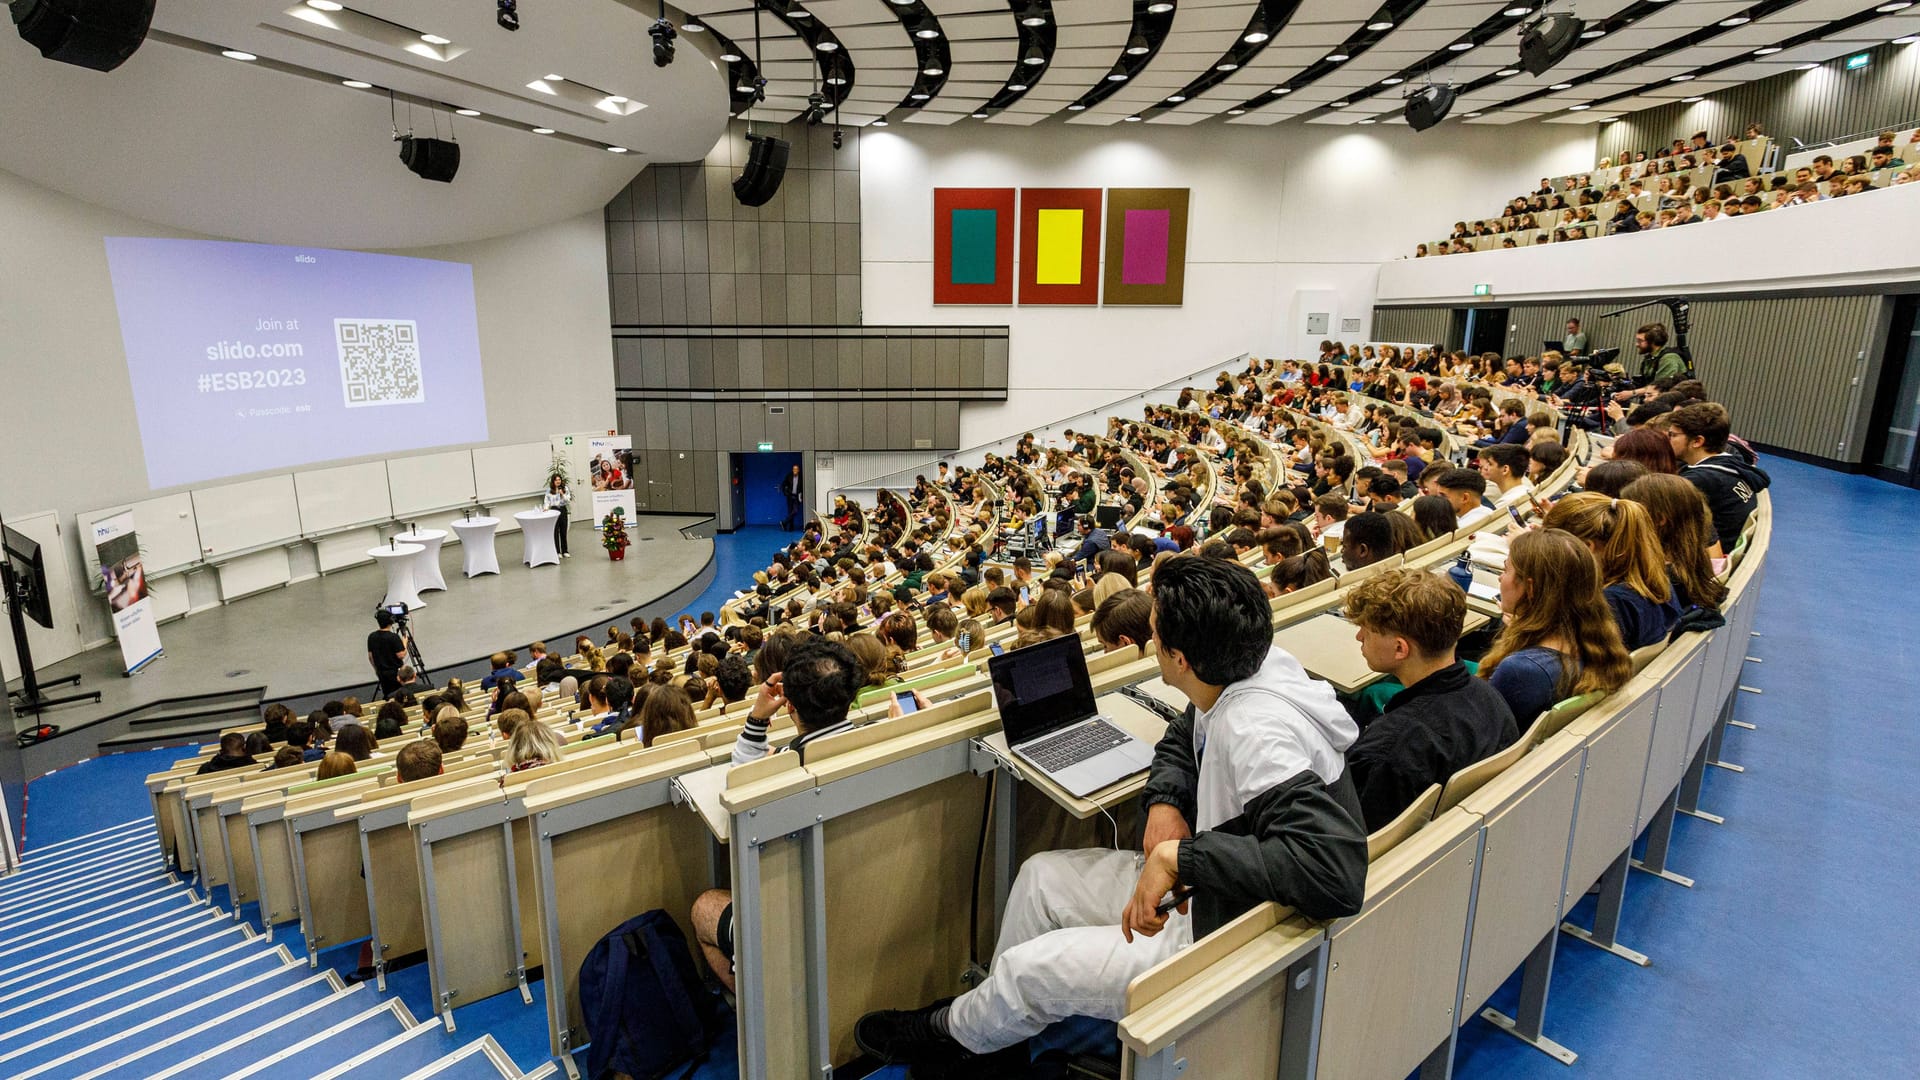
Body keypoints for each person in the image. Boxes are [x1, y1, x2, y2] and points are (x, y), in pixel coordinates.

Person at [851, 556, 1366, 1072]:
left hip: (1223, 927)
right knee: (1040, 877)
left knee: (1029, 969)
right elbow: (1183, 739)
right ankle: (987, 1032)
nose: (1150, 630)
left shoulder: (1257, 732)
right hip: (1218, 887)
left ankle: (950, 1032)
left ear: (1180, 658)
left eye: (1156, 628)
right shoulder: (1243, 664)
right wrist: (1166, 801)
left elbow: (1333, 872)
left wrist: (1178, 857)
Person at [692, 639, 873, 993]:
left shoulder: (780, 771)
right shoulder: (879, 743)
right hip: (864, 898)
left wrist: (758, 716)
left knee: (704, 908)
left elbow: (741, 774)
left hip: (798, 916)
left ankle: (763, 1006)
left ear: (788, 704)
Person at [1343, 570, 1518, 830]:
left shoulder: (1388, 750)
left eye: (1366, 631)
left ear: (1400, 648)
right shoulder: (1491, 699)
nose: (1359, 637)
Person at [1480, 529, 1633, 728]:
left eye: (1506, 570)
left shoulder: (1522, 671)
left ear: (1531, 588)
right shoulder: (1597, 642)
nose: (1501, 578)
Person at [1544, 494, 1680, 649]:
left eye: (1553, 546)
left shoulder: (1609, 603)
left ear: (1586, 546)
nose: (1549, 552)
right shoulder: (1655, 580)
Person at [1668, 402, 1769, 548]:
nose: (1668, 439)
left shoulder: (1701, 480)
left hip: (1705, 557)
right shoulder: (1730, 464)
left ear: (1697, 441)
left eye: (1672, 435)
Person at [367, 609, 407, 698]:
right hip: (395, 673)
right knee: (399, 695)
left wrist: (376, 669)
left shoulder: (371, 637)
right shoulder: (394, 637)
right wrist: (405, 642)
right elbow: (401, 655)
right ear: (391, 621)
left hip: (381, 672)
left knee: (388, 695)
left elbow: (370, 657)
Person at [545, 474, 573, 558]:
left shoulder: (565, 488)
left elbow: (568, 499)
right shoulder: (549, 490)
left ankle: (565, 550)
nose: (558, 481)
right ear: (553, 481)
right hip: (554, 510)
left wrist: (562, 494)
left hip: (563, 509)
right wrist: (546, 508)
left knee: (563, 531)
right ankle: (557, 552)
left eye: (559, 479)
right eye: (556, 480)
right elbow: (546, 500)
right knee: (555, 531)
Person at [781, 463, 805, 532]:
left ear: (798, 470)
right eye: (794, 469)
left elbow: (803, 486)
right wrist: (785, 492)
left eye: (796, 469)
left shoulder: (801, 477)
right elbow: (784, 484)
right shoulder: (789, 476)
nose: (795, 470)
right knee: (790, 511)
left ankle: (784, 522)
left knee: (795, 511)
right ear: (792, 470)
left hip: (797, 496)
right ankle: (790, 527)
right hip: (790, 496)